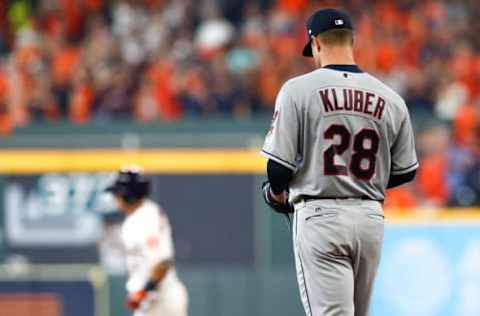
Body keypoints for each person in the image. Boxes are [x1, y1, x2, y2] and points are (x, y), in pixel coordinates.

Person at [261, 8, 418, 316]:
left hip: (322, 215)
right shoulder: (390, 97)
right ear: (352, 41)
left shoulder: (298, 89)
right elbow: (405, 171)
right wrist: (360, 180)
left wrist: (277, 194)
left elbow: (277, 168)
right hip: (370, 218)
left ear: (316, 43)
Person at [106, 166, 188, 316]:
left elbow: (163, 261)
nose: (114, 197)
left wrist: (144, 290)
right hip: (151, 301)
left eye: (117, 192)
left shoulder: (145, 219)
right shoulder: (141, 215)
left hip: (162, 301)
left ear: (127, 194)